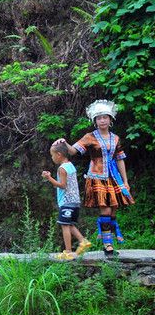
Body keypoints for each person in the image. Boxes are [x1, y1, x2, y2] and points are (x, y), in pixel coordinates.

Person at [54, 99, 134, 256]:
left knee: (112, 212)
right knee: (105, 209)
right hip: (97, 177)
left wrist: (125, 181)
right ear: (95, 121)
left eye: (105, 117)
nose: (102, 120)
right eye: (99, 118)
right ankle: (108, 245)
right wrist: (64, 143)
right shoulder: (90, 136)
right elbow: (73, 151)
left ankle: (109, 241)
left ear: (110, 120)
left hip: (113, 178)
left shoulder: (115, 138)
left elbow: (120, 159)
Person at [41, 143, 91, 260]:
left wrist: (49, 178)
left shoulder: (62, 168)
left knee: (64, 225)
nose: (52, 158)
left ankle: (68, 252)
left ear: (59, 154)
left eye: (52, 155)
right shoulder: (71, 165)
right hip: (75, 201)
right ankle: (83, 241)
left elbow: (62, 185)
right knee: (69, 224)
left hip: (67, 201)